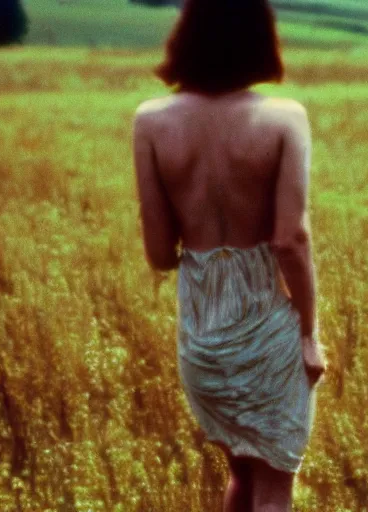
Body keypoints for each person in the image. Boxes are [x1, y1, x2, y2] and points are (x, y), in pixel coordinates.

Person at [132, 1, 327, 510]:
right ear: (261, 37)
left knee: (241, 477)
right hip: (264, 327)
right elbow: (290, 240)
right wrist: (309, 333)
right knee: (273, 489)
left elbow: (159, 254)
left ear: (186, 35)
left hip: (201, 335)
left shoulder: (151, 122)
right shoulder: (284, 118)